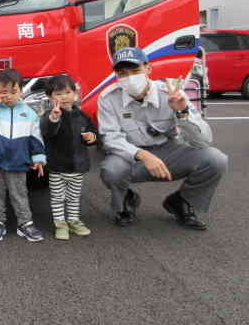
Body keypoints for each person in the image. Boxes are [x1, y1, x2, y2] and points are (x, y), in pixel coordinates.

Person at [98, 47, 228, 230]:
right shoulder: (108, 98)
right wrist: (143, 155)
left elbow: (203, 141)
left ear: (148, 69)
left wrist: (182, 112)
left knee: (216, 159)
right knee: (111, 170)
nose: (129, 78)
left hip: (168, 151)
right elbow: (110, 138)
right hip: (132, 155)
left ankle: (181, 202)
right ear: (116, 75)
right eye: (122, 73)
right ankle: (126, 200)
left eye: (135, 70)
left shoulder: (171, 93)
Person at [0, 68, 46, 242]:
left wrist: (38, 158)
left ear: (21, 91)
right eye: (3, 92)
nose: (9, 96)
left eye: (14, 91)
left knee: (19, 193)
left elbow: (36, 137)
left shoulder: (29, 113)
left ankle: (25, 223)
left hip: (18, 162)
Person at [40, 75, 98, 240]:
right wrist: (54, 117)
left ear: (75, 94)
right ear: (50, 97)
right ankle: (60, 224)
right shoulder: (49, 116)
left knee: (73, 197)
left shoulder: (82, 116)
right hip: (57, 167)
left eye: (67, 92)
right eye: (58, 94)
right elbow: (47, 131)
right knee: (57, 198)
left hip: (77, 167)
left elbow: (93, 133)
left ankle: (73, 221)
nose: (64, 97)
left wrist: (91, 137)